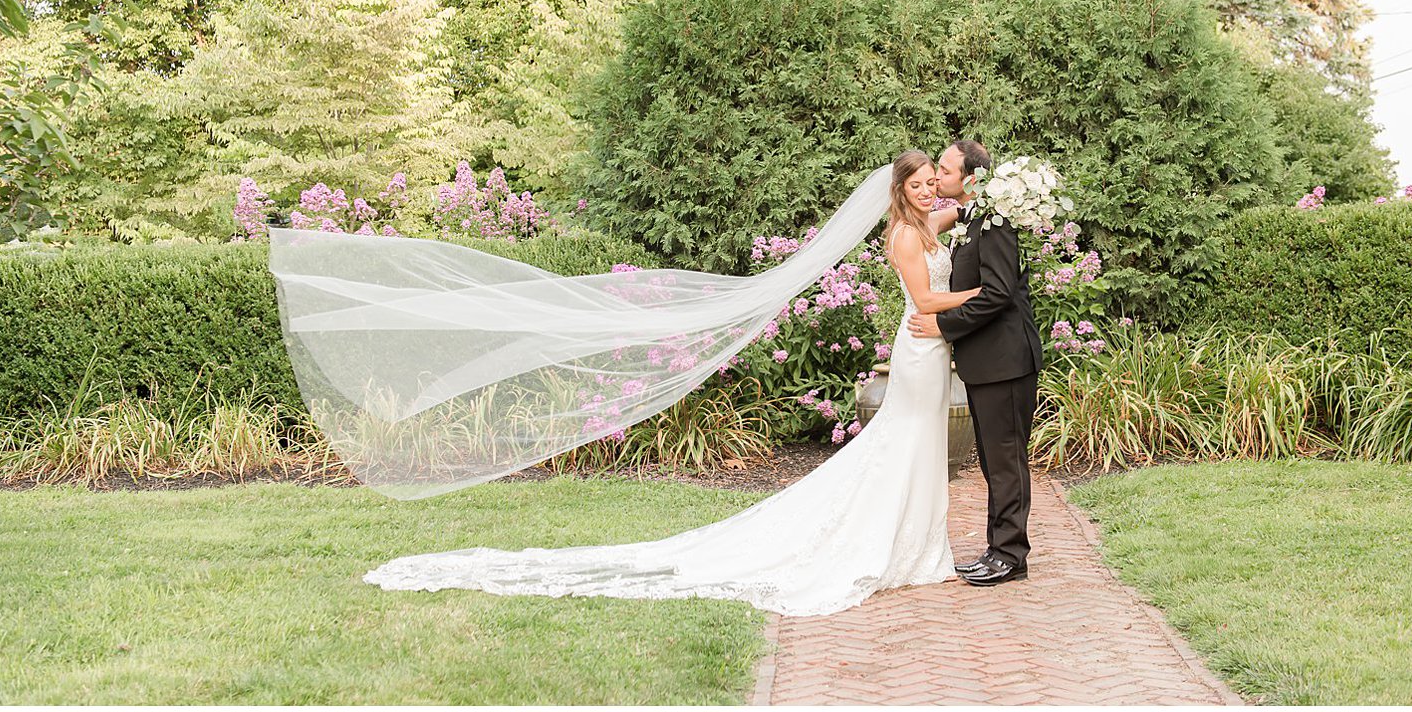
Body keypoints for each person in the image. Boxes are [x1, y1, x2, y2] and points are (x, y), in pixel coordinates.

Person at [356, 150, 981, 616]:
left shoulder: (931, 224)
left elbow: (966, 211)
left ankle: (922, 552)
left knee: (920, 449)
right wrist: (985, 295)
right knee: (903, 447)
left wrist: (992, 195)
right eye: (919, 185)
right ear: (898, 191)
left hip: (930, 349)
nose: (930, 192)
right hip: (919, 350)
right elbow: (924, 298)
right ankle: (904, 551)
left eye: (934, 184)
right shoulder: (903, 234)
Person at [908, 140, 1043, 587]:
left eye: (944, 171)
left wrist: (943, 327)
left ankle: (1009, 555)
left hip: (1006, 360)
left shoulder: (996, 224)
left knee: (1005, 460)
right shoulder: (974, 217)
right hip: (987, 362)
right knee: (993, 460)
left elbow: (999, 293)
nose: (937, 177)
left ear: (970, 177)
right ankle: (997, 548)